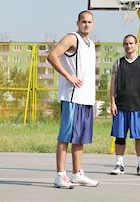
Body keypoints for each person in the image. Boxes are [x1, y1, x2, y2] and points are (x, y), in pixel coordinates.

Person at [47, 10, 99, 189]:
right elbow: (52, 56)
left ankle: (77, 173)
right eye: (83, 21)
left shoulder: (91, 44)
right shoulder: (72, 38)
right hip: (72, 97)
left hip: (86, 98)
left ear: (93, 24)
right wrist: (69, 76)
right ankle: (60, 175)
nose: (86, 24)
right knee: (66, 137)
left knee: (80, 138)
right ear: (77, 23)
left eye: (90, 22)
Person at [109, 34, 140, 176]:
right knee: (120, 137)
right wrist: (112, 102)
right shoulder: (118, 63)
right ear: (123, 45)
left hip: (138, 106)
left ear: (136, 45)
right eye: (126, 44)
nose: (129, 46)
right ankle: (119, 164)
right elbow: (113, 85)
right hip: (121, 106)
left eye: (131, 43)